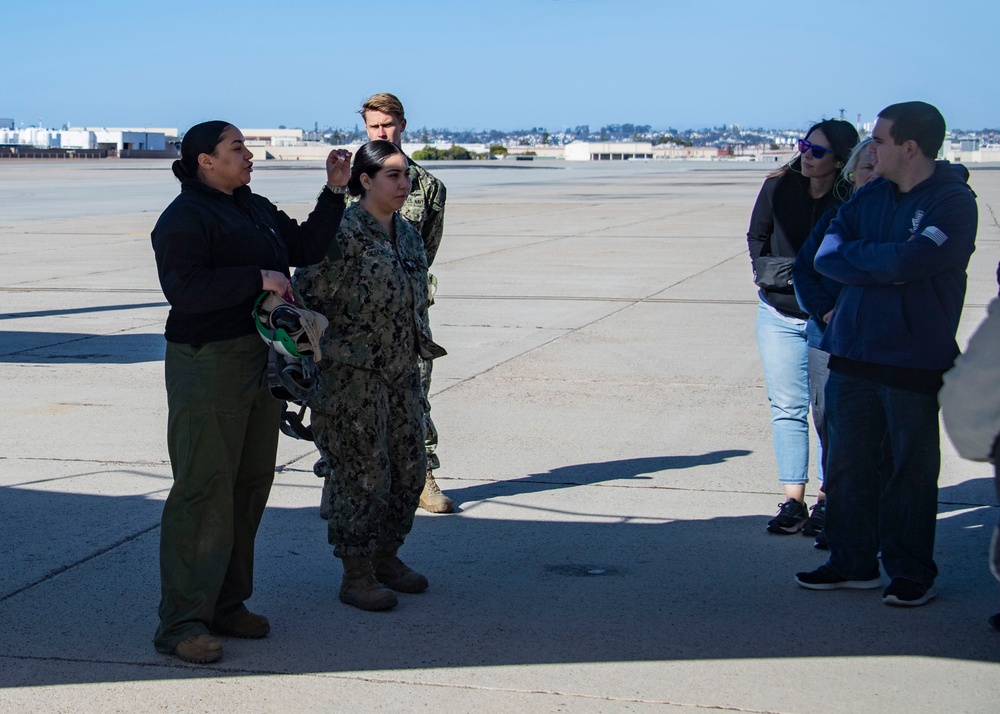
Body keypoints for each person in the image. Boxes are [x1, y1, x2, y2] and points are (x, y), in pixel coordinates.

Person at [150, 121, 350, 662]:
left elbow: (306, 245)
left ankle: (227, 604)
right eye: (237, 147)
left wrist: (335, 190)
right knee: (203, 487)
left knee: (249, 482)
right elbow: (186, 291)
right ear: (204, 161)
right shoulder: (185, 217)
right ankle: (182, 622)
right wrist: (258, 279)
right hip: (207, 362)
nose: (249, 154)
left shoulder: (252, 206)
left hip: (259, 361)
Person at [795, 101, 978, 607]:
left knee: (908, 473)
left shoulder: (953, 202)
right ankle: (851, 562)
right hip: (852, 353)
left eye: (879, 140)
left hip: (912, 360)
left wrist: (871, 260)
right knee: (848, 467)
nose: (870, 149)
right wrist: (887, 263)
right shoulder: (869, 195)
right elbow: (826, 257)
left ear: (909, 147)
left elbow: (917, 259)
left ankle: (910, 571)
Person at [293, 140, 446, 611]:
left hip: (402, 373)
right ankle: (356, 573)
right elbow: (305, 297)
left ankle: (387, 556)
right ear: (365, 180)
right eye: (393, 176)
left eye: (406, 176)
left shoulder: (408, 235)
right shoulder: (340, 234)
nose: (404, 184)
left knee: (408, 469)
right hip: (351, 377)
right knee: (362, 475)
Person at [317, 92, 453, 516]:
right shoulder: (349, 181)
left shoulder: (427, 188)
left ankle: (423, 474)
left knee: (415, 396)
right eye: (374, 126)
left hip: (406, 318)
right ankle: (336, 476)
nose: (381, 131)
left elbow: (423, 253)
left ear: (402, 125)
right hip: (354, 321)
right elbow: (324, 247)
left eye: (387, 125)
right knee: (345, 402)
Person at [746, 120, 859, 535]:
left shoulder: (850, 197)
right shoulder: (778, 186)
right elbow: (757, 237)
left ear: (841, 160)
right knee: (786, 407)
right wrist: (769, 275)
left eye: (818, 151)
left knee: (829, 411)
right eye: (804, 146)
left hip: (826, 318)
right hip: (777, 313)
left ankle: (830, 497)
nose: (807, 155)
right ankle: (793, 500)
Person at [792, 138, 876, 548]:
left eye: (878, 167)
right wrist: (825, 311)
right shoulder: (837, 218)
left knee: (871, 431)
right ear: (852, 175)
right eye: (865, 168)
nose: (872, 175)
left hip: (875, 342)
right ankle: (835, 504)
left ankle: (854, 514)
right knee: (827, 419)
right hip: (827, 335)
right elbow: (806, 270)